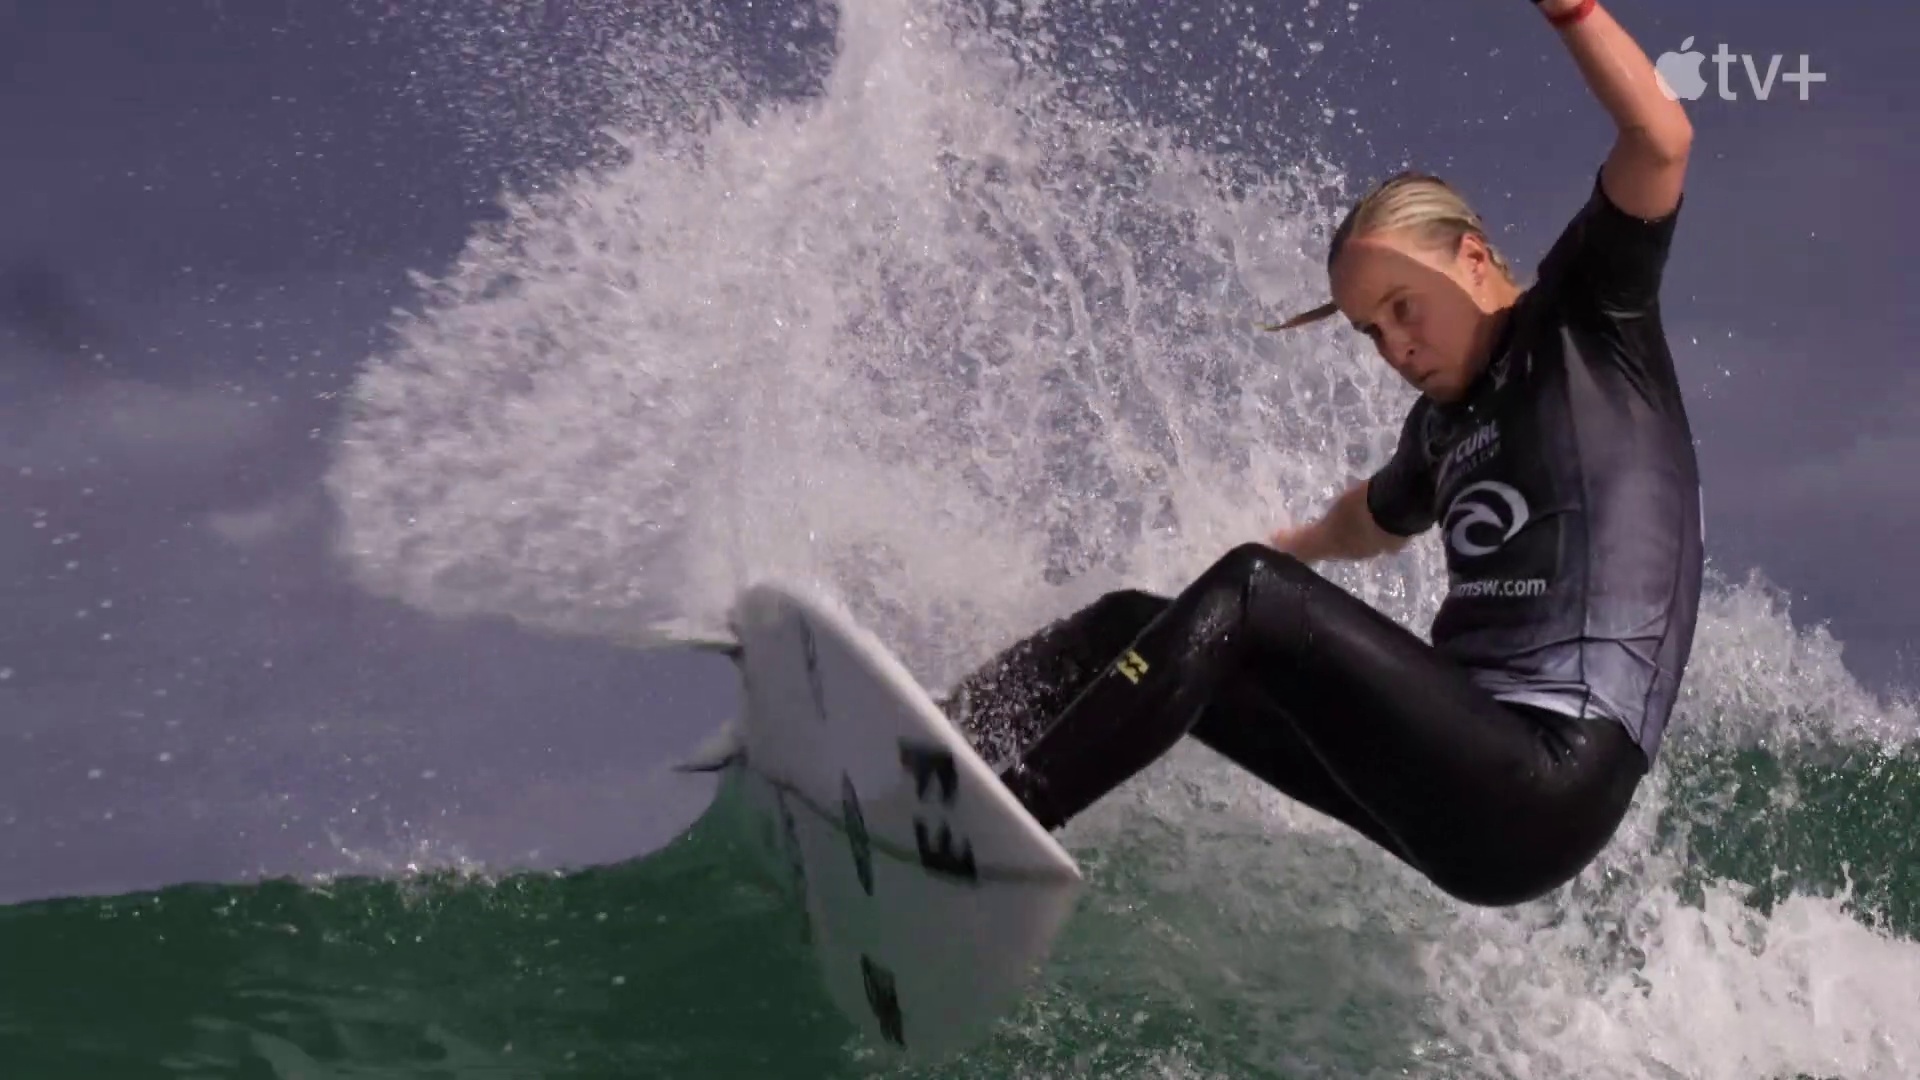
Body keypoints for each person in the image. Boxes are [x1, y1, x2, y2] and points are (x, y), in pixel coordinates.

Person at [940, 0, 1704, 908]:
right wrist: (1293, 544)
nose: (1396, 347)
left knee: (1252, 592)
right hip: (1446, 794)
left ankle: (999, 825)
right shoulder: (1439, 431)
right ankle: (936, 748)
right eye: (1371, 332)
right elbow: (1367, 521)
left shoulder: (1584, 318)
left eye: (1402, 308)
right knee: (1127, 626)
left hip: (1549, 776)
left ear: (1472, 259)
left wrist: (1572, 11)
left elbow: (1660, 141)